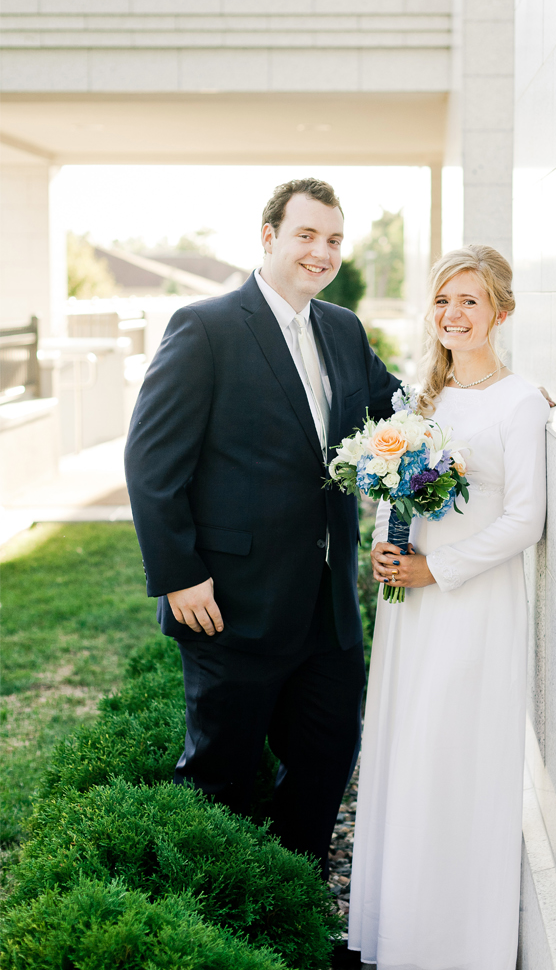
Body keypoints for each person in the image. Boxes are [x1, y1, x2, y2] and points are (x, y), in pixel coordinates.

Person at [124, 177, 401, 881]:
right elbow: (151, 460)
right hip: (230, 605)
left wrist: (497, 393)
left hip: (327, 609)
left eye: (334, 239)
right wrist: (179, 572)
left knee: (328, 756)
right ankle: (209, 922)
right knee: (221, 776)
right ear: (269, 236)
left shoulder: (342, 328)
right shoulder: (206, 326)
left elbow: (398, 404)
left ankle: (288, 903)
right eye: (307, 234)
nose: (322, 251)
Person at [347, 244, 549, 970]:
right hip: (412, 612)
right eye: (443, 301)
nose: (454, 315)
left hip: (472, 605)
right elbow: (391, 487)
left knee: (454, 755)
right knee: (407, 752)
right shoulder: (421, 402)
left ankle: (457, 945)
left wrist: (441, 569)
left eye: (470, 300)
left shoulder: (521, 401)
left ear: (500, 310)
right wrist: (385, 545)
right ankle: (400, 928)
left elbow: (526, 518)